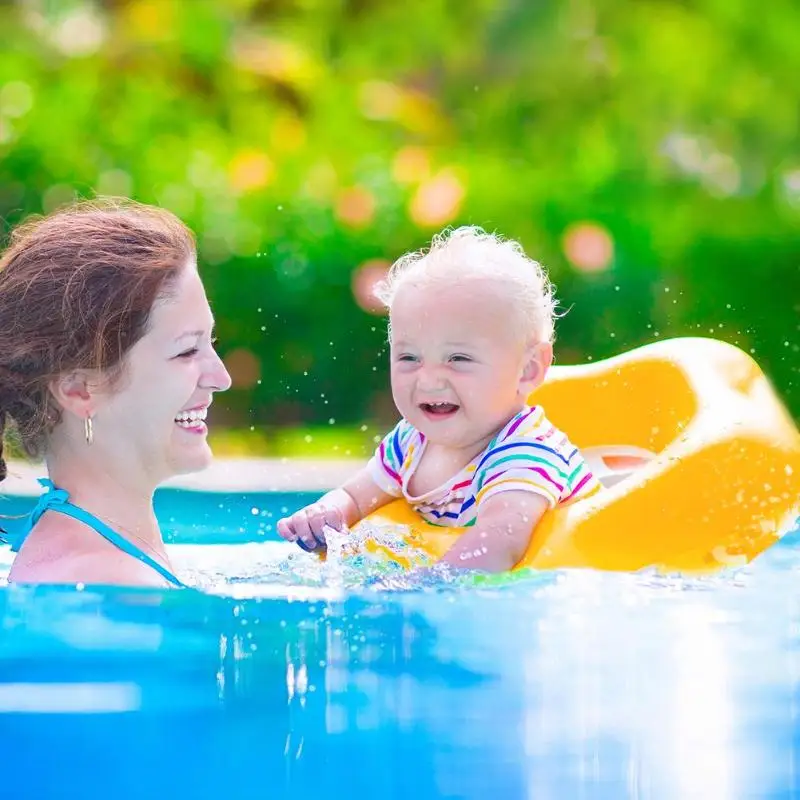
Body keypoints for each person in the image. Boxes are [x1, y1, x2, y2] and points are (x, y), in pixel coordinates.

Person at [277, 226, 602, 572]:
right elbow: (357, 497)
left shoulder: (527, 451)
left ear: (528, 369)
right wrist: (326, 513)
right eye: (409, 358)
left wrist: (426, 587)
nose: (428, 378)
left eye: (458, 359)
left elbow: (499, 543)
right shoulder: (410, 442)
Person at [0, 199, 231, 587]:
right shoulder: (106, 583)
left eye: (211, 342)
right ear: (79, 389)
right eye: (187, 349)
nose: (221, 377)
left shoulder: (104, 553)